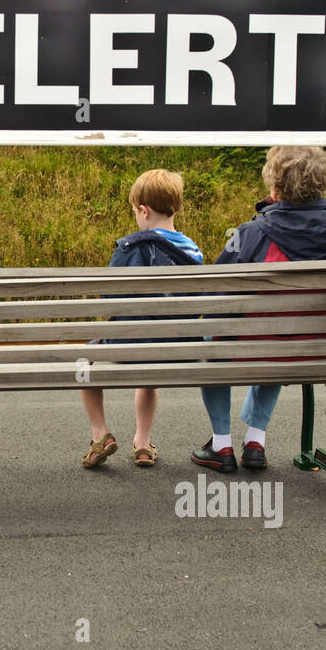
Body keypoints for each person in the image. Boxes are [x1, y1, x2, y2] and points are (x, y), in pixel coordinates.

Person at [191, 146, 326, 473]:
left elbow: (215, 295)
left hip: (254, 349)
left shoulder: (252, 233)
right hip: (313, 352)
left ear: (275, 186)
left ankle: (222, 444)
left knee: (216, 336)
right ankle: (255, 440)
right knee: (280, 335)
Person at [80, 169, 203, 470]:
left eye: (135, 211)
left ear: (143, 211)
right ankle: (143, 444)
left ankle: (100, 434)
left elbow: (110, 298)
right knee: (150, 371)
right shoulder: (194, 251)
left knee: (84, 360)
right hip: (179, 348)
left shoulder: (131, 247)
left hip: (130, 343)